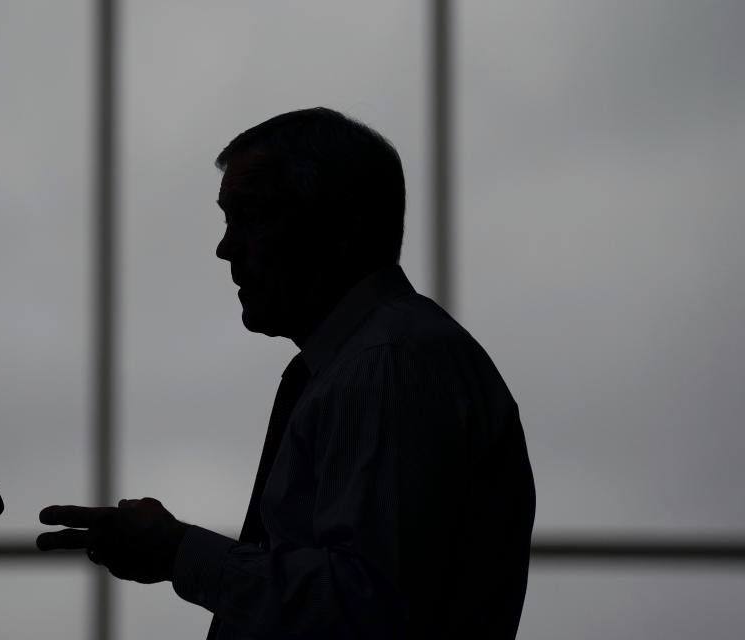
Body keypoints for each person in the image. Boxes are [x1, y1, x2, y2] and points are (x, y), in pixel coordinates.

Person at [37, 107, 536, 638]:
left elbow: (364, 610)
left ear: (343, 226)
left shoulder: (387, 364)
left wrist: (178, 553)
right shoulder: (374, 361)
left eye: (252, 216)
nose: (225, 248)